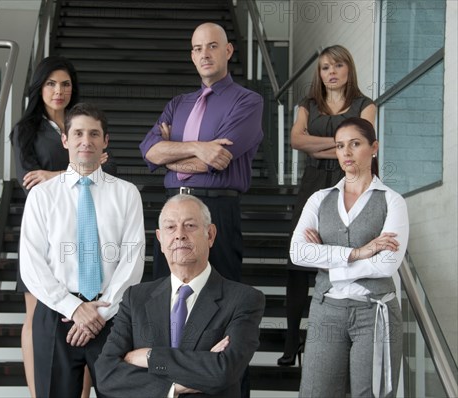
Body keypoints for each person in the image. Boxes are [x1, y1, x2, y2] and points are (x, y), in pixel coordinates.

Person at [19, 103, 145, 397]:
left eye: (93, 134)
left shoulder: (126, 194)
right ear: (65, 140)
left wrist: (100, 313)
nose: (85, 141)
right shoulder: (41, 195)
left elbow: (133, 261)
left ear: (105, 141)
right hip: (56, 313)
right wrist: (74, 308)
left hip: (111, 316)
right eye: (77, 133)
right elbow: (32, 263)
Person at [10, 56, 115, 397]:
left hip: (84, 228)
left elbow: (96, 170)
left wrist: (60, 173)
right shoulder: (27, 129)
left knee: (82, 320)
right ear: (39, 87)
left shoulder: (81, 123)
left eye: (65, 84)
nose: (59, 90)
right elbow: (31, 180)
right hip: (45, 232)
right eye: (51, 84)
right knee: (39, 316)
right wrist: (72, 172)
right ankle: (40, 390)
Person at [95, 194, 265, 398]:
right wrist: (175, 387)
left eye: (190, 225)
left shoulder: (243, 299)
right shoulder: (136, 298)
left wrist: (149, 357)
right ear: (160, 239)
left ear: (210, 235)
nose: (179, 235)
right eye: (170, 227)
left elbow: (223, 371)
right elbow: (106, 374)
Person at [290, 117, 408, 397]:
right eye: (340, 146)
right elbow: (298, 252)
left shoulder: (392, 200)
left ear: (374, 147)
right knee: (316, 392)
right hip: (326, 311)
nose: (346, 152)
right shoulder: (319, 199)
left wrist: (330, 263)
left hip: (375, 312)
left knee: (371, 393)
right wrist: (358, 252)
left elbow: (387, 263)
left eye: (355, 144)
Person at [139, 22, 264, 283]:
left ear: (228, 50)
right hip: (173, 208)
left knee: (219, 299)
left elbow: (216, 159)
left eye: (212, 46)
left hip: (216, 207)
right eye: (198, 48)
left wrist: (170, 157)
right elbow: (150, 152)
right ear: (192, 56)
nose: (204, 54)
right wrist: (198, 147)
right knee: (165, 293)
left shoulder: (248, 101)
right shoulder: (177, 104)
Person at [278, 45, 377, 367]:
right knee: (298, 262)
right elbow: (296, 140)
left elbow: (361, 150)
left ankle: (333, 337)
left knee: (341, 256)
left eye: (337, 66)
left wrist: (320, 146)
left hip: (350, 185)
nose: (331, 72)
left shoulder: (366, 105)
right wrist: (342, 145)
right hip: (312, 184)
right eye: (324, 68)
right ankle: (292, 342)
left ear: (349, 69)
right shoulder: (307, 105)